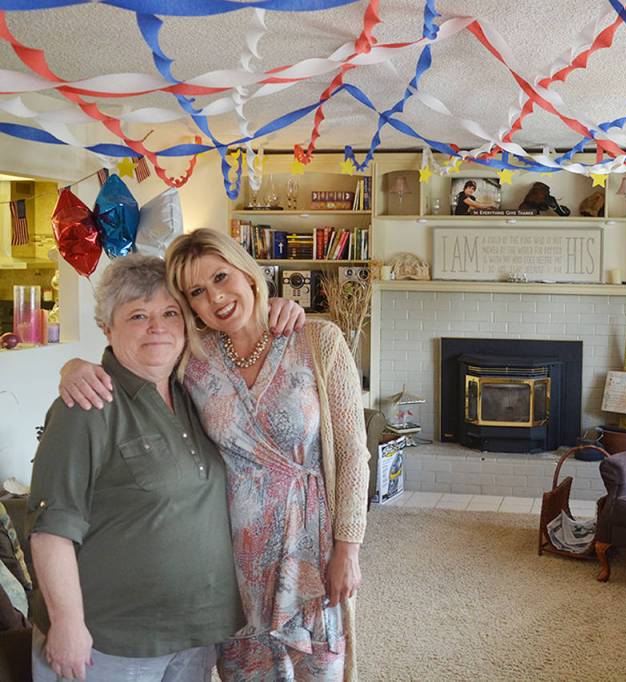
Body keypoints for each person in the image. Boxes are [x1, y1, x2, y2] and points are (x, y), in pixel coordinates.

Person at [59, 229, 370, 682]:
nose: (216, 298)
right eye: (197, 292)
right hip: (232, 564)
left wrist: (349, 549)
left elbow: (352, 454)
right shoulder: (194, 358)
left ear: (247, 271)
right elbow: (135, 357)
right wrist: (74, 366)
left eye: (221, 277)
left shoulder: (319, 340)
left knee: (320, 671)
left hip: (314, 550)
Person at [29, 254, 244, 681]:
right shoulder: (86, 405)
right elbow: (51, 528)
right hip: (110, 642)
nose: (157, 327)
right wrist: (67, 623)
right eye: (138, 316)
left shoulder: (198, 391)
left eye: (170, 313)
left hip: (195, 634)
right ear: (107, 327)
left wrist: (280, 308)